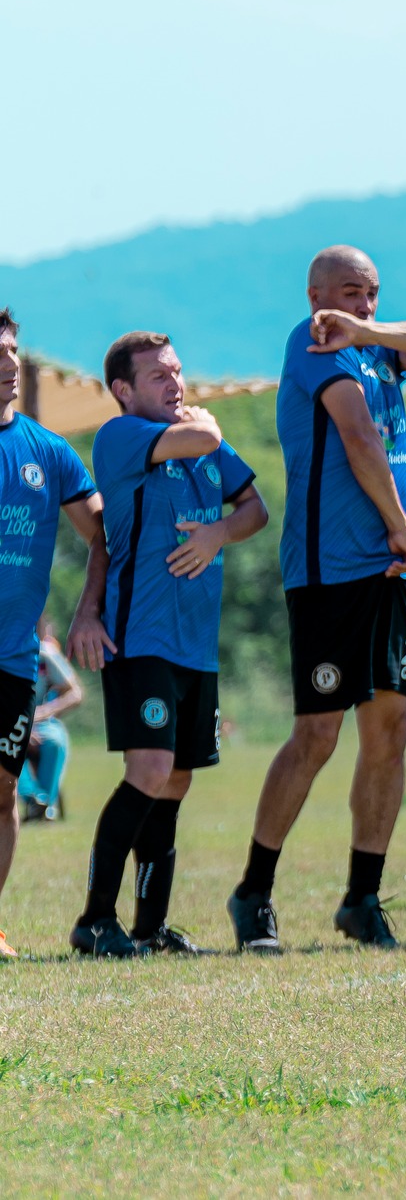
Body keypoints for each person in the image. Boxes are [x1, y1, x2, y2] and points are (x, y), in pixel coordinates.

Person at [228, 246, 406, 954]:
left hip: (393, 575)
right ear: (315, 294)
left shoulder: (375, 347)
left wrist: (376, 331)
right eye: (352, 293)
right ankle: (254, 892)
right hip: (330, 571)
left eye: (372, 292)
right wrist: (399, 526)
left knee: (390, 729)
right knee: (319, 734)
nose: (363, 304)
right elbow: (359, 434)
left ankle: (362, 897)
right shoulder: (312, 342)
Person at [69, 332, 268, 957]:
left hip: (196, 645)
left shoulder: (200, 437)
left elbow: (255, 509)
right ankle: (95, 921)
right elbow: (204, 437)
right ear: (123, 390)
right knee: (149, 771)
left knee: (176, 780)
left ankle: (150, 928)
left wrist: (217, 534)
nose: (175, 385)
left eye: (178, 372)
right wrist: (205, 424)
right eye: (158, 376)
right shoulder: (122, 436)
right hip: (144, 637)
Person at [0, 309, 114, 961]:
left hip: (13, 661)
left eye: (13, 350)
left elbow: (101, 533)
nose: (9, 364)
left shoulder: (48, 451)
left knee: (3, 793)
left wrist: (87, 611)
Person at [22, 619, 83, 823]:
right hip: (8, 724)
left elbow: (75, 693)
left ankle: (44, 806)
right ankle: (34, 799)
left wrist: (46, 711)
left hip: (42, 722)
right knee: (11, 742)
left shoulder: (44, 654)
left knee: (56, 741)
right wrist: (23, 728)